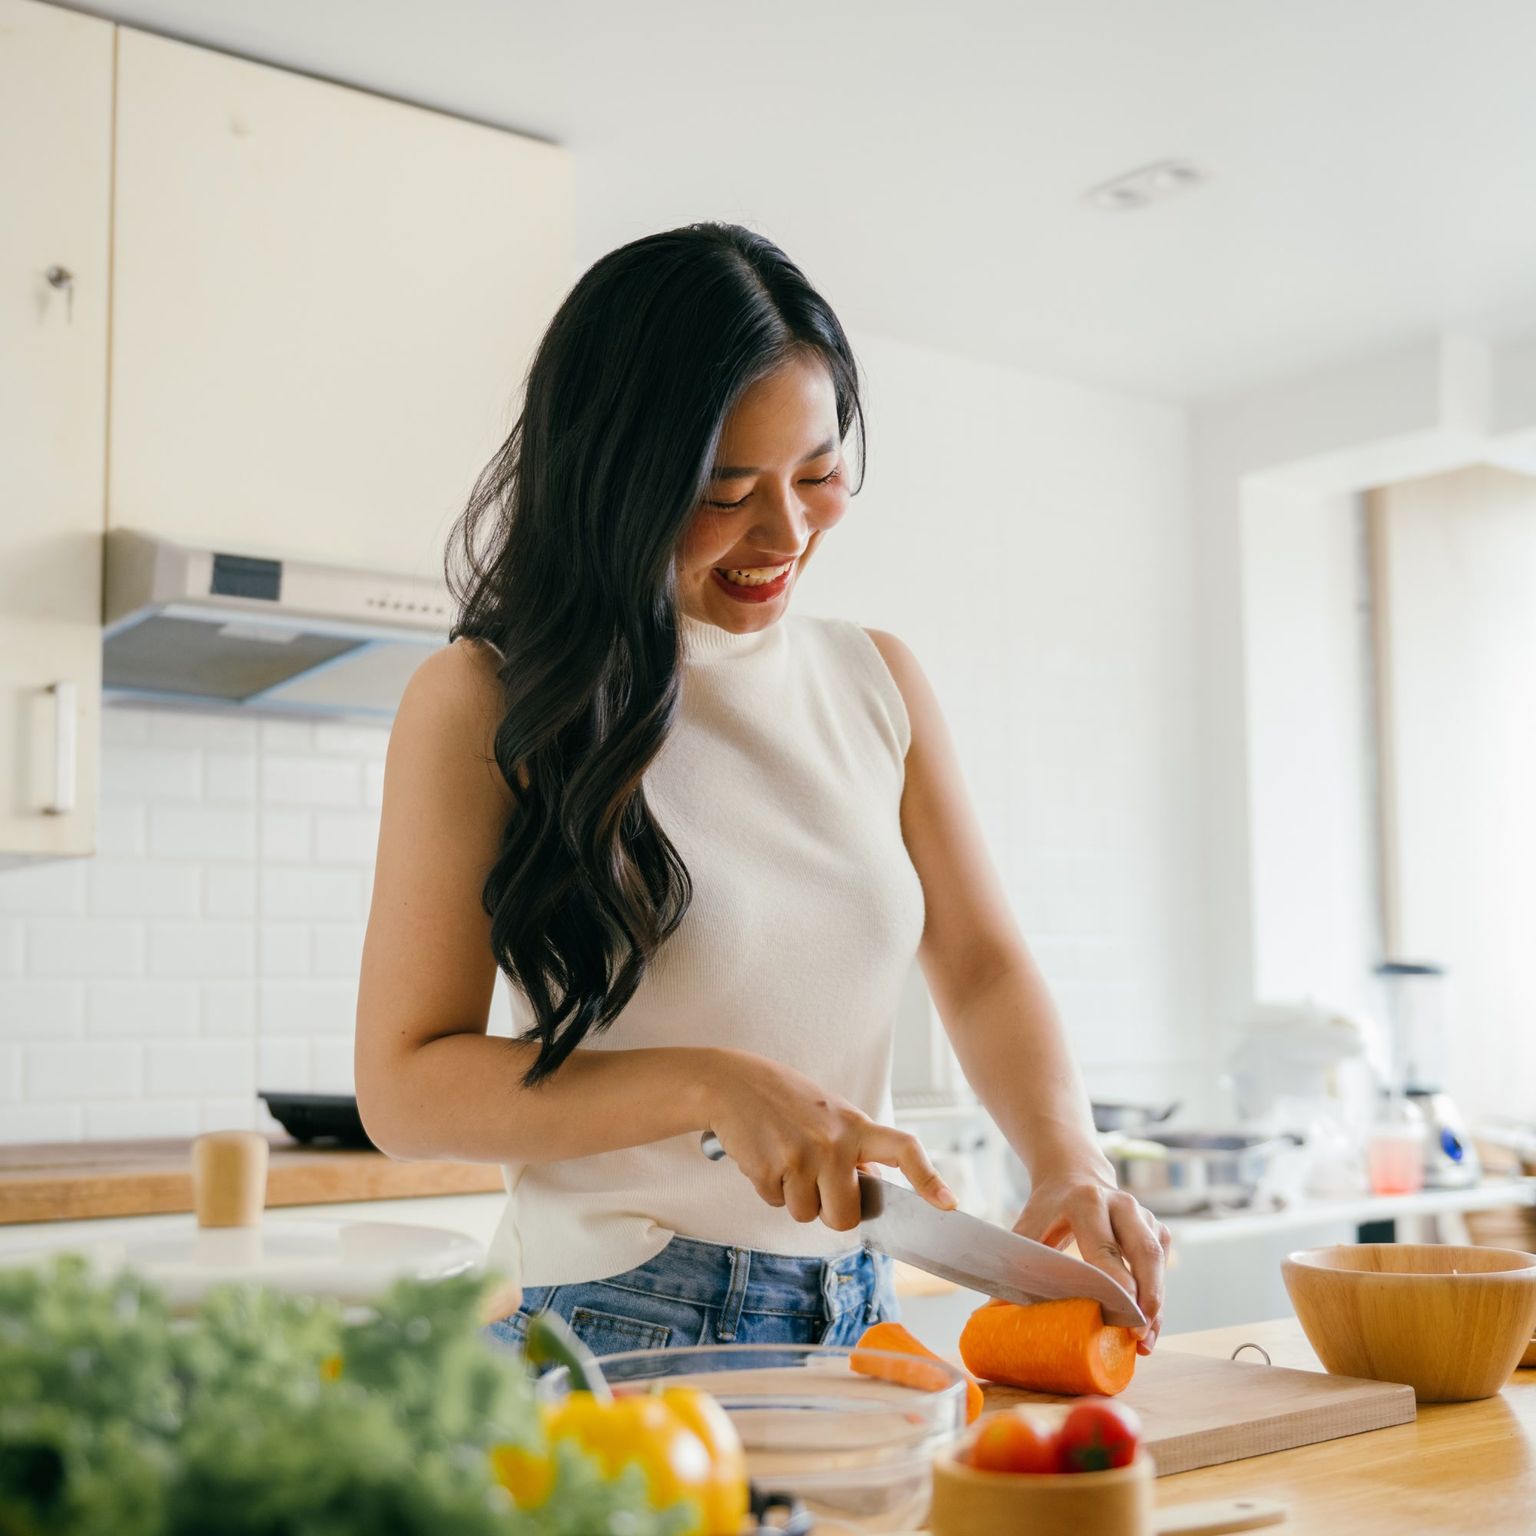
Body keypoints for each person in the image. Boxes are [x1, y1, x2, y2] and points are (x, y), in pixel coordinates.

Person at [355, 221, 1170, 1358]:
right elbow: (404, 1090)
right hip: (619, 1320)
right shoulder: (485, 700)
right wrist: (708, 1086)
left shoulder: (877, 679)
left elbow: (981, 965)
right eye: (723, 489)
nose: (786, 531)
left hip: (862, 1311)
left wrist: (1068, 1159)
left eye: (819, 475)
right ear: (616, 480)